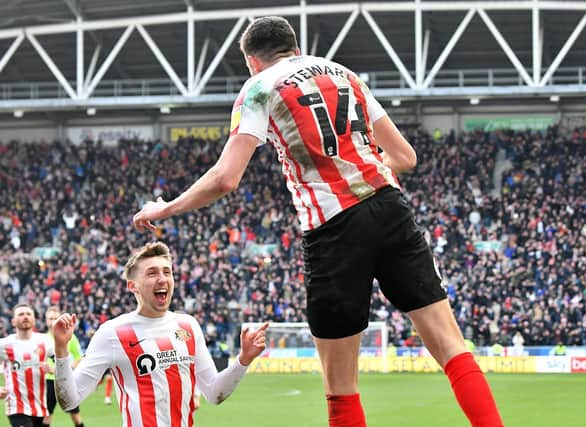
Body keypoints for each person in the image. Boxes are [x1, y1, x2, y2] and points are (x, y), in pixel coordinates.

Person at [132, 16, 503, 427]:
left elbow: (226, 178)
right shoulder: (343, 74)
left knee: (340, 386)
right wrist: (357, 167)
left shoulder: (259, 87)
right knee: (452, 348)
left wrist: (163, 208)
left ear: (253, 60)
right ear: (294, 46)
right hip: (391, 208)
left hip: (334, 227)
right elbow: (406, 157)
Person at [51, 241, 268, 427]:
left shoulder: (188, 326)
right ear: (132, 286)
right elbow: (70, 401)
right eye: (152, 273)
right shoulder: (113, 333)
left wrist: (243, 359)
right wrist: (61, 350)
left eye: (167, 272)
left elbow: (214, 393)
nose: (163, 279)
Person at [0, 304, 54, 427]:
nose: (25, 317)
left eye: (28, 314)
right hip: (16, 407)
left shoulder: (45, 341)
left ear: (34, 320)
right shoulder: (5, 344)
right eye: (21, 314)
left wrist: (53, 369)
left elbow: (63, 363)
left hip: (39, 407)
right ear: (13, 321)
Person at [43, 306, 85, 427]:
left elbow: (79, 358)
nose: (53, 321)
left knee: (75, 416)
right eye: (50, 318)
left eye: (55, 318)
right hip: (49, 381)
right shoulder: (43, 339)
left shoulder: (70, 337)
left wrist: (64, 370)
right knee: (46, 416)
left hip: (67, 381)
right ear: (46, 320)